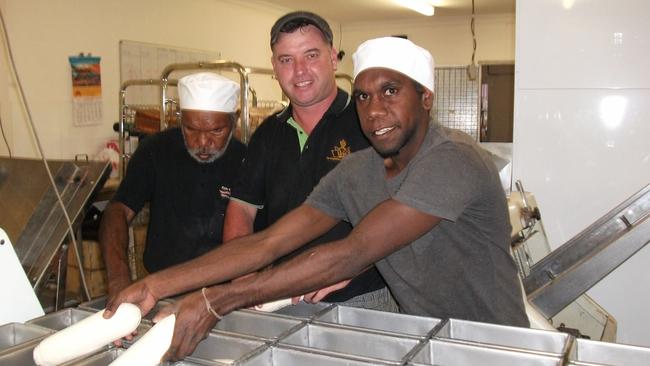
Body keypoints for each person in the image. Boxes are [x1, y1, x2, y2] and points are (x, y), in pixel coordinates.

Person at [105, 37, 529, 362]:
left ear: (426, 98)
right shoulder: (358, 172)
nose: (374, 110)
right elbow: (267, 243)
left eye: (390, 92)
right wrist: (151, 286)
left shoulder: (454, 160)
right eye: (363, 96)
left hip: (495, 347)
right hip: (428, 340)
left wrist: (217, 300)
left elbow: (353, 252)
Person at [223, 11, 392, 310]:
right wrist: (243, 277)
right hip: (280, 298)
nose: (299, 71)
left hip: (362, 297)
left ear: (333, 58)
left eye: (310, 55)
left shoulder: (370, 124)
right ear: (274, 67)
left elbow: (402, 213)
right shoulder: (268, 134)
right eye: (286, 59)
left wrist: (353, 264)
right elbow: (242, 208)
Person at [98, 72, 246, 301]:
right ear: (179, 118)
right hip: (160, 289)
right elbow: (117, 211)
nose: (203, 143)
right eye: (191, 129)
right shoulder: (156, 151)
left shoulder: (248, 161)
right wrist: (118, 279)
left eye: (216, 131)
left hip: (225, 293)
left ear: (234, 120)